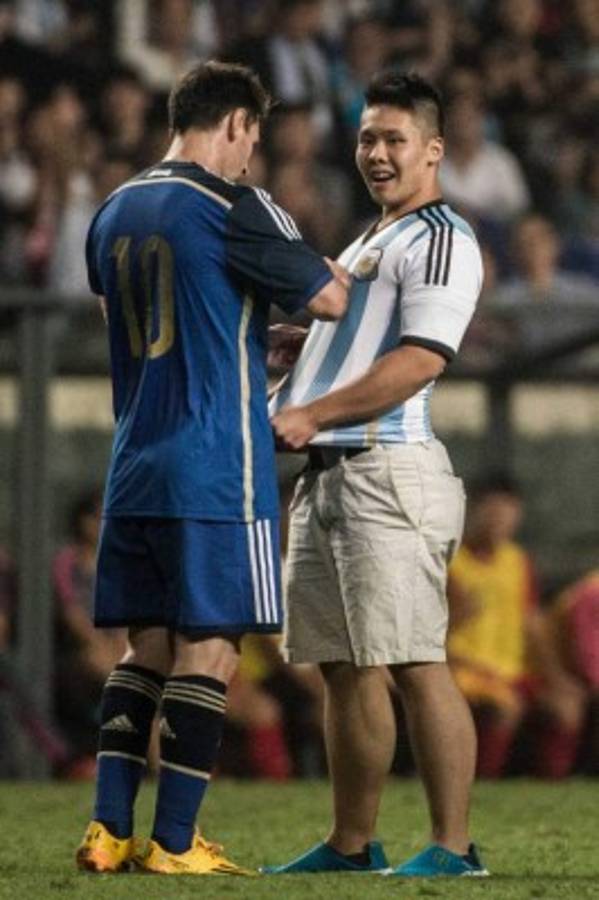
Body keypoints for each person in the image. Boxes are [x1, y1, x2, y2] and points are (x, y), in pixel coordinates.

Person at [76, 59, 348, 876]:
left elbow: (141, 316)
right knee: (212, 649)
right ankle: (174, 843)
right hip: (214, 468)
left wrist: (240, 336)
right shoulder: (233, 202)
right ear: (236, 124)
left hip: (134, 464)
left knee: (143, 648)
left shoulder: (112, 210)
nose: (250, 155)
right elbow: (328, 298)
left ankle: (107, 831)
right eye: (253, 139)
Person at [265, 70, 488, 878]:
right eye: (366, 137)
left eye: (394, 139)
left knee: (413, 659)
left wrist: (313, 412)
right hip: (331, 476)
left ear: (433, 150)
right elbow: (366, 341)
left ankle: (455, 850)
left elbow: (422, 359)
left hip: (386, 470)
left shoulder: (438, 236)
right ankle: (352, 845)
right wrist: (304, 349)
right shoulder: (373, 235)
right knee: (343, 664)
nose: (376, 153)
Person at [447, 473, 538, 778]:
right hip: (462, 668)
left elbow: (530, 622)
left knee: (566, 705)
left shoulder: (518, 561)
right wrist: (458, 615)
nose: (500, 522)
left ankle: (553, 782)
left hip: (511, 669)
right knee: (505, 708)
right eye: (493, 513)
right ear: (472, 510)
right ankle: (483, 782)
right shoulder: (450, 562)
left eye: (508, 515)